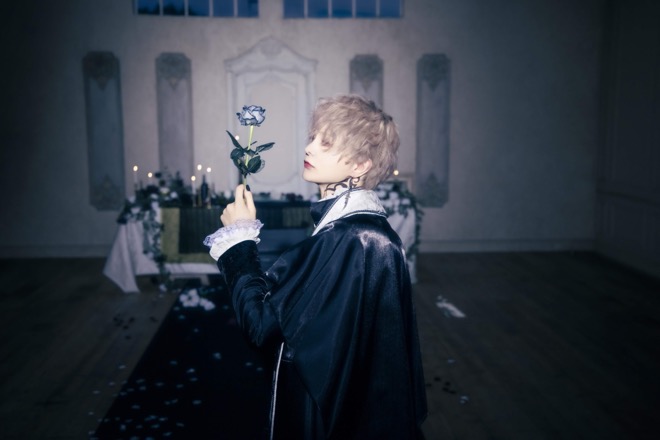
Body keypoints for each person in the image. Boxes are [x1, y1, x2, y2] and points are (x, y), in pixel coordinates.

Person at [204, 94, 427, 439]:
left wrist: (239, 240)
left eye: (327, 143)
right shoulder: (368, 232)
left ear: (360, 164)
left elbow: (261, 326)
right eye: (312, 138)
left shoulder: (348, 238)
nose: (309, 148)